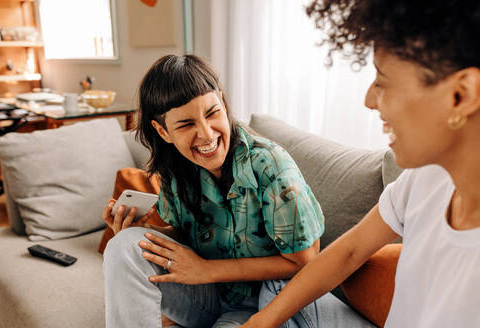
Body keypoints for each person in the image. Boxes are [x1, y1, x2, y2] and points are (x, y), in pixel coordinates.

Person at [240, 0, 480, 327]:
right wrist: (261, 322)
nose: (369, 100)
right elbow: (348, 252)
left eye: (382, 81)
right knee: (273, 293)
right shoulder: (426, 178)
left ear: (461, 95)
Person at [101, 54, 346, 328]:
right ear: (163, 131)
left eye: (212, 113)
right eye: (186, 124)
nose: (206, 134)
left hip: (268, 304)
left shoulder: (270, 166)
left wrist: (206, 271)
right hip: (210, 297)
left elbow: (306, 262)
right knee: (124, 246)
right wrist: (138, 233)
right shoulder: (175, 169)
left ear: (223, 102)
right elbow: (185, 238)